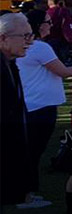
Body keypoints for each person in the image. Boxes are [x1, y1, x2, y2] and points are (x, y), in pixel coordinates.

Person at [18, 11, 72, 205]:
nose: (51, 25)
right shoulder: (40, 47)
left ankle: (25, 192)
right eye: (48, 22)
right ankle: (26, 195)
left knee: (30, 151)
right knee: (32, 153)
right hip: (40, 107)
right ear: (38, 25)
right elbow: (64, 71)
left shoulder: (25, 47)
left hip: (31, 104)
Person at [1, 12, 42, 208]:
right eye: (25, 36)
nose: (30, 42)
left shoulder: (11, 64)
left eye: (31, 36)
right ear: (3, 38)